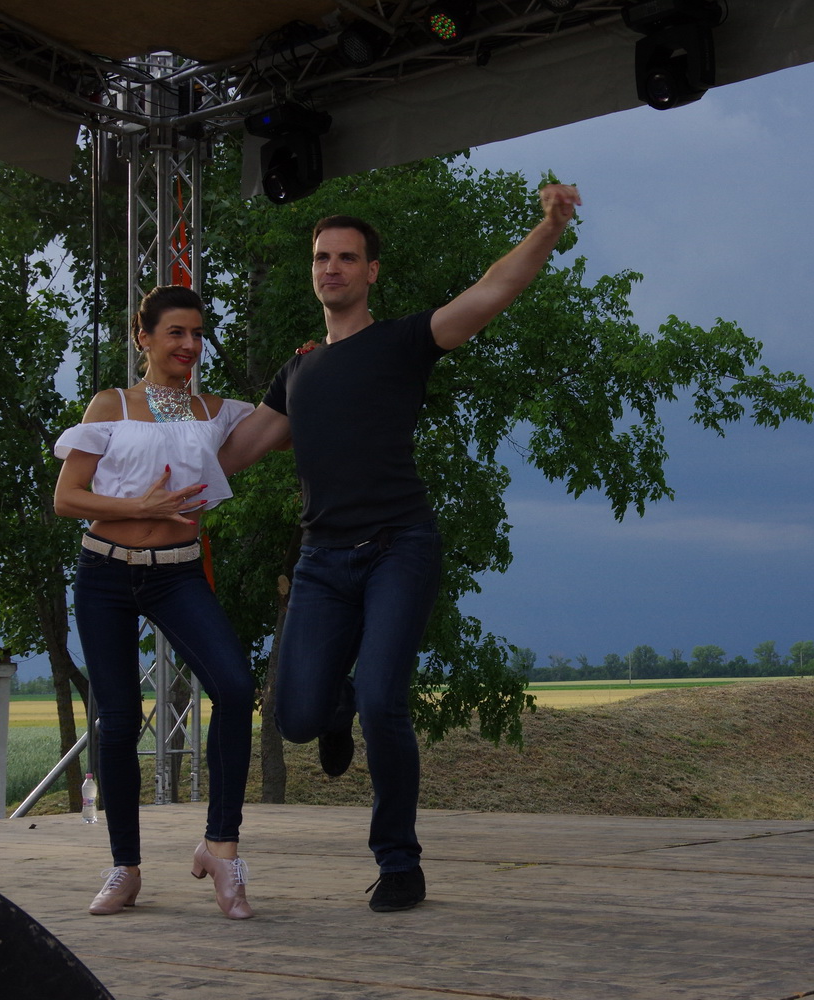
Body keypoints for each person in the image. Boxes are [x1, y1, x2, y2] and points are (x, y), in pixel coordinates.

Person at [220, 183, 581, 911]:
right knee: (295, 717)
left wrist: (549, 226)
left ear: (371, 271)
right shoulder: (297, 372)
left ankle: (399, 863)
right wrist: (142, 453)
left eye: (347, 258)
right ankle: (337, 706)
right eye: (322, 258)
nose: (332, 268)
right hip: (322, 560)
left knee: (386, 697)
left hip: (398, 547)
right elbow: (232, 453)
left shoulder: (403, 342)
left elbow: (491, 292)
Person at [54, 285, 259, 920]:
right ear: (143, 337)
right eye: (176, 333)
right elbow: (67, 497)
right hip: (105, 573)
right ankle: (125, 867)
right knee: (118, 719)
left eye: (197, 334)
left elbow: (284, 422)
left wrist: (318, 361)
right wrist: (137, 506)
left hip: (177, 574)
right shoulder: (111, 405)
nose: (189, 345)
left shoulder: (210, 411)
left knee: (234, 687)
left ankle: (221, 848)